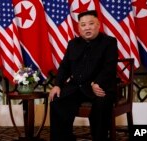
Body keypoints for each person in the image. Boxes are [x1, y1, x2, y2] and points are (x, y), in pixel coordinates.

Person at [49, 10, 118, 141]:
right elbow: (64, 67)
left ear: (98, 25)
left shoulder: (109, 42)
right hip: (77, 87)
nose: (87, 27)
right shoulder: (73, 44)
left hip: (99, 87)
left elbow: (109, 67)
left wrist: (97, 82)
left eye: (91, 23)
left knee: (101, 104)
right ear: (79, 28)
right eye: (83, 24)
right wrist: (57, 85)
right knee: (57, 101)